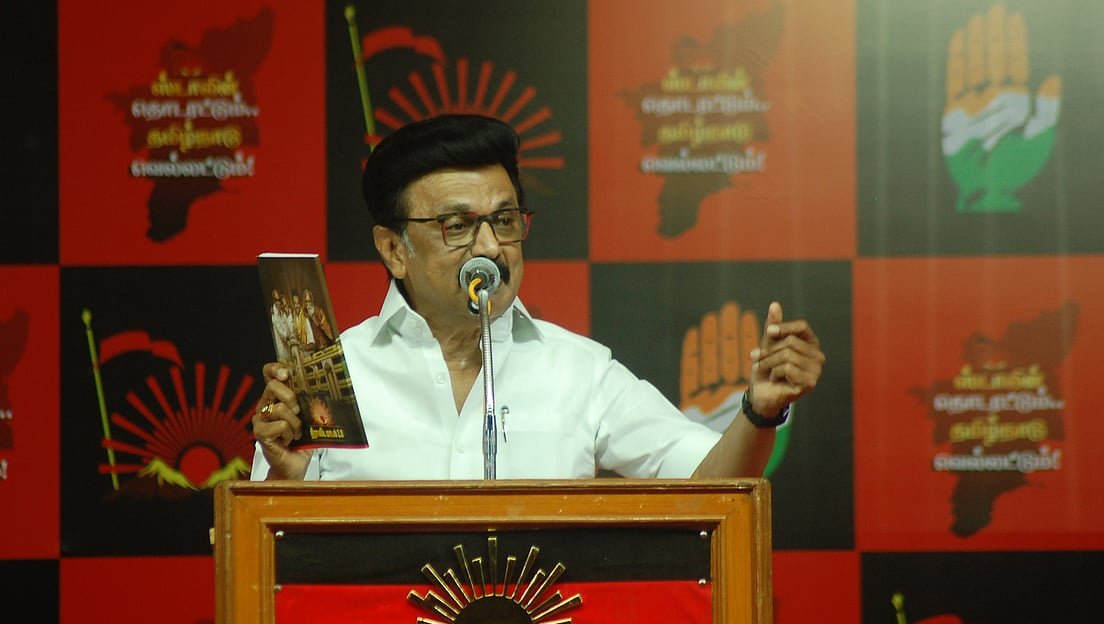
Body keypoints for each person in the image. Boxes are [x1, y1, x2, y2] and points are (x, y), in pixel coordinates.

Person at [250, 114, 824, 481]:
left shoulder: (578, 370)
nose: (489, 247)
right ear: (394, 250)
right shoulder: (330, 375)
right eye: (457, 226)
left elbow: (709, 483)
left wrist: (760, 411)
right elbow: (268, 561)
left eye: (504, 220)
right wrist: (285, 484)